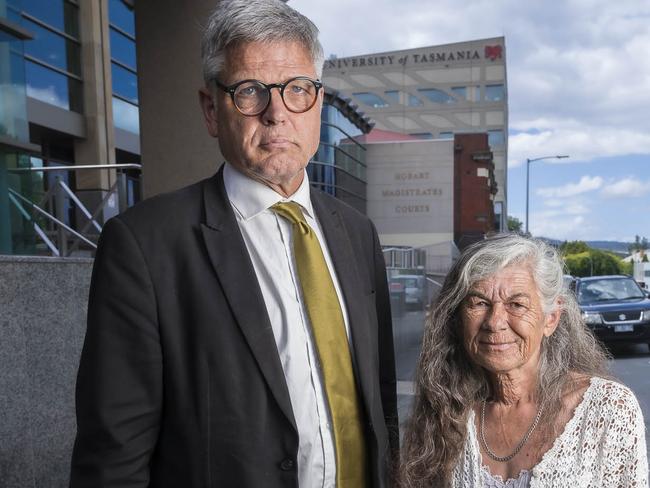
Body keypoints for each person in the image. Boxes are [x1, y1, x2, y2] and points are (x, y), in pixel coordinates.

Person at [69, 1, 398, 487]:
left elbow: (381, 399)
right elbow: (113, 456)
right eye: (250, 91)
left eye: (298, 90)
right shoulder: (144, 246)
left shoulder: (357, 233)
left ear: (318, 102)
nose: (277, 113)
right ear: (211, 109)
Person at [400, 234, 648, 487]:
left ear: (550, 318)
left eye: (517, 304)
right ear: (458, 319)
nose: (494, 322)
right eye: (479, 303)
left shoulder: (608, 411)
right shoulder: (445, 410)